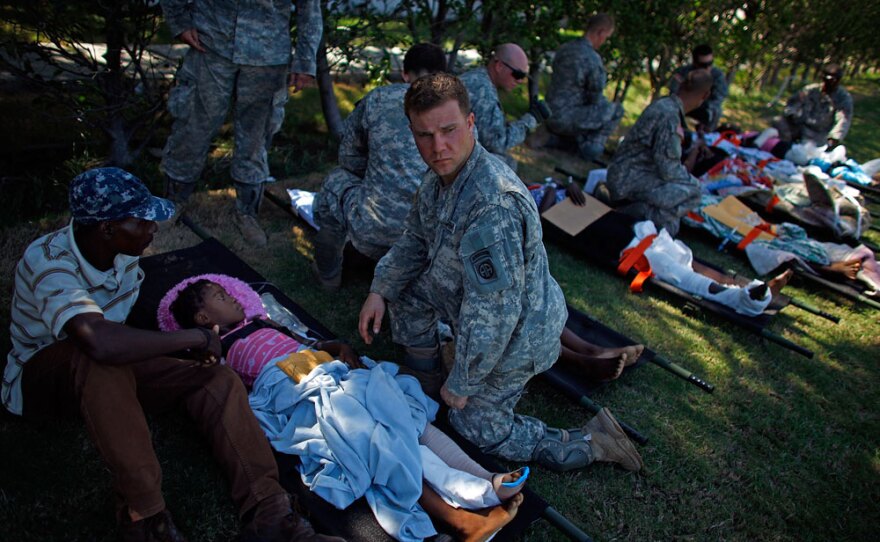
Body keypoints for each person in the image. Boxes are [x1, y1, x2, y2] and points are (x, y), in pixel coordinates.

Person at [1, 168, 343, 542]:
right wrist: (190, 337)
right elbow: (98, 341)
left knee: (216, 376)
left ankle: (271, 512)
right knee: (99, 358)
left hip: (108, 365)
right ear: (106, 228)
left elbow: (121, 334)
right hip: (44, 379)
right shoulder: (49, 261)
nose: (153, 229)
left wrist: (183, 355)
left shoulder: (123, 254)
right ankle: (146, 518)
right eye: (142, 220)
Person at [357, 73, 643, 473]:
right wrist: (380, 289)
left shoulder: (494, 205)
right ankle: (426, 377)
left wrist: (462, 384)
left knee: (472, 426)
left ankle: (593, 441)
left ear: (471, 123)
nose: (438, 147)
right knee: (403, 289)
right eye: (424, 135)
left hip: (518, 337)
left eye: (449, 130)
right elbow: (414, 240)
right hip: (471, 306)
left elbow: (494, 318)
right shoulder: (440, 176)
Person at [163, 276, 526, 542]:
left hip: (326, 370)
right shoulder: (215, 348)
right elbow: (228, 390)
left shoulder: (261, 322)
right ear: (200, 317)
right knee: (377, 441)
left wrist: (337, 346)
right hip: (299, 391)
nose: (232, 297)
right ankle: (462, 515)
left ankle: (480, 487)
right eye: (219, 296)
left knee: (400, 418)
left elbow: (305, 342)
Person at [159, 0, 323, 247]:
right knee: (192, 128)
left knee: (255, 139)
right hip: (211, 46)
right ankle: (172, 203)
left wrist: (305, 61)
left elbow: (309, 9)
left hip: (267, 56)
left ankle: (247, 212)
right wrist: (180, 21)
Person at [312, 43, 447, 290]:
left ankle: (328, 274)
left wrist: (378, 171)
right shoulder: (459, 112)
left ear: (406, 74)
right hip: (434, 239)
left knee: (335, 181)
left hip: (377, 228)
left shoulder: (379, 99)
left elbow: (349, 157)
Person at [605, 69, 714, 236]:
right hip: (629, 179)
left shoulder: (665, 105)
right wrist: (692, 181)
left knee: (673, 216)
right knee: (694, 192)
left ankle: (649, 214)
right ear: (705, 95)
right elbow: (668, 168)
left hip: (627, 173)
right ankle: (634, 212)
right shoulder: (669, 115)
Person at [460, 43, 551, 171]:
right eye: (518, 74)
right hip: (454, 155)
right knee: (505, 164)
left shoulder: (478, 78)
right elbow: (498, 143)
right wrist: (531, 119)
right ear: (499, 66)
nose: (520, 81)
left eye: (524, 76)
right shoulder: (483, 92)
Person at [545, 13, 623, 161]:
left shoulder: (565, 48)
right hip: (567, 117)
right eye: (606, 37)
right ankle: (591, 148)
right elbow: (595, 97)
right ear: (600, 33)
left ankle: (561, 140)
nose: (604, 41)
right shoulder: (592, 59)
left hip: (549, 111)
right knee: (615, 110)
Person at [773, 64, 853, 148]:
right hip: (800, 126)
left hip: (819, 134)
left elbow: (843, 120)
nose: (831, 83)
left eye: (835, 80)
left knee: (808, 151)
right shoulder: (810, 90)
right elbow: (792, 104)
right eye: (828, 79)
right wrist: (791, 116)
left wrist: (834, 138)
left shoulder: (843, 98)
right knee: (778, 122)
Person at [668, 44, 729, 132]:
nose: (708, 68)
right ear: (694, 62)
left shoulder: (717, 76)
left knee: (716, 111)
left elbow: (718, 98)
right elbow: (673, 94)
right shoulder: (682, 72)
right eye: (704, 65)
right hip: (683, 105)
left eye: (710, 63)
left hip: (705, 108)